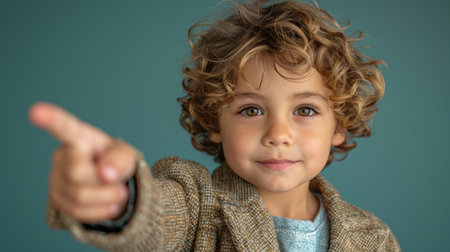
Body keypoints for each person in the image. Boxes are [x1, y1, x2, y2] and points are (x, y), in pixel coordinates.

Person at [29, 0, 400, 251]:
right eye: (251, 110)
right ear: (214, 120)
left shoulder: (374, 238)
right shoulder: (197, 204)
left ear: (340, 125)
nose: (278, 135)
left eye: (305, 110)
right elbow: (157, 217)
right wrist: (122, 200)